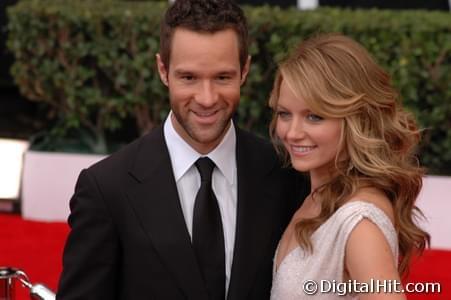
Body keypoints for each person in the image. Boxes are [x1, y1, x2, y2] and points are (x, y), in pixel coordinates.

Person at [56, 1, 308, 299]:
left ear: (245, 70)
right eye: (188, 78)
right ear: (163, 70)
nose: (206, 98)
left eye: (222, 77)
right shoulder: (107, 188)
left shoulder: (286, 174)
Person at [268, 33, 430, 299]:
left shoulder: (359, 221)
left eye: (314, 116)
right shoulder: (314, 195)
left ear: (356, 120)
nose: (292, 132)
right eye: (285, 113)